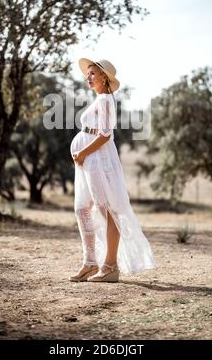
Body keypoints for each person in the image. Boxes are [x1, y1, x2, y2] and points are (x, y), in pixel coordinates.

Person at [69, 58, 155, 283]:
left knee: (106, 209)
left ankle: (110, 266)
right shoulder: (98, 99)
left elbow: (105, 134)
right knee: (82, 208)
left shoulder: (106, 100)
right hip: (88, 160)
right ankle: (90, 262)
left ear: (104, 77)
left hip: (98, 159)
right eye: (87, 74)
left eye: (92, 74)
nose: (88, 77)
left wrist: (83, 152)